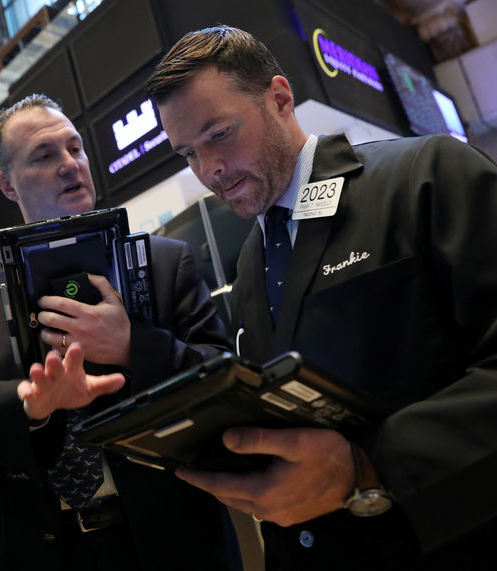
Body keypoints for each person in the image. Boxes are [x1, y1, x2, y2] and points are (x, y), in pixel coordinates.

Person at [145, 25, 497, 571]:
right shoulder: (249, 267)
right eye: (188, 152)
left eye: (219, 134)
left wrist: (367, 465)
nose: (207, 170)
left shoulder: (426, 175)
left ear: (280, 99)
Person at [0, 94, 241, 571]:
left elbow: (224, 379)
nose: (70, 165)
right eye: (45, 155)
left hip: (172, 536)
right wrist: (31, 404)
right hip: (37, 546)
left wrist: (134, 346)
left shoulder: (163, 260)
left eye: (75, 149)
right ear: (6, 184)